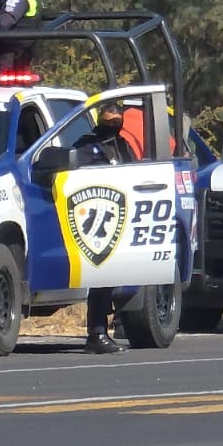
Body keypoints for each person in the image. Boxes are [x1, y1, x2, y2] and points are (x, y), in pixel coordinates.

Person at [72, 101, 138, 355]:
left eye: (117, 120)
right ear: (99, 119)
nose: (113, 124)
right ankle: (97, 333)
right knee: (102, 277)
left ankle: (115, 324)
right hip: (95, 220)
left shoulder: (122, 145)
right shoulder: (86, 146)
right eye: (108, 120)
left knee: (115, 277)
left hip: (119, 217)